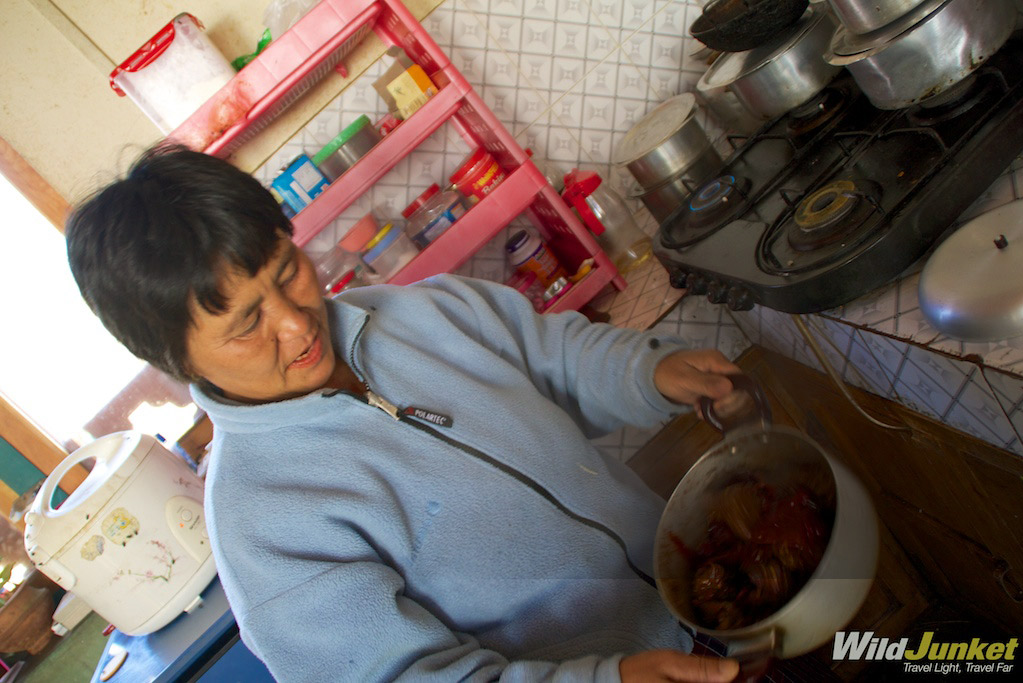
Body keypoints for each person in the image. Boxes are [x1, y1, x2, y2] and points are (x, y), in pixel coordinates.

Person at [66, 145, 743, 683]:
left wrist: (646, 369)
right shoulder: (265, 527)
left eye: (288, 270)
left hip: (714, 579)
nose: (298, 324)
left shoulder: (419, 312)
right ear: (178, 360)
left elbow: (552, 357)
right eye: (247, 324)